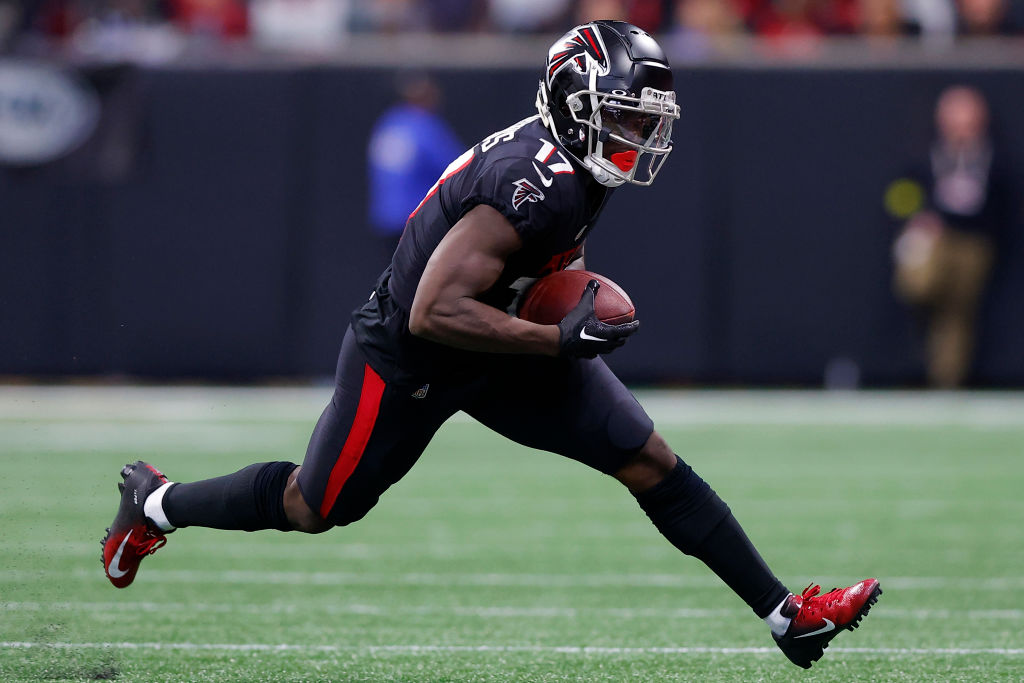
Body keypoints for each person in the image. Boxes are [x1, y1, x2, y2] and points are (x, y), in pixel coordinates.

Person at [101, 20, 880, 670]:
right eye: (628, 115)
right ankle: (158, 504)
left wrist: (560, 307)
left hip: (504, 344)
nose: (640, 134)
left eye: (646, 119)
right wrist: (553, 335)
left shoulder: (582, 169)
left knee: (650, 459)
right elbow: (432, 312)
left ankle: (787, 615)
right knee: (316, 504)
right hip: (410, 357)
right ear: (578, 104)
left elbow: (540, 262)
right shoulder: (529, 182)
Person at [890, 85, 1006, 388]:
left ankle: (946, 381)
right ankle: (914, 366)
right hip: (935, 240)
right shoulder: (923, 154)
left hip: (972, 243)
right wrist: (916, 216)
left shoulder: (995, 158)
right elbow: (899, 194)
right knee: (918, 285)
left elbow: (1004, 204)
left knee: (957, 312)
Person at [367, 73, 463, 258]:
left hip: (386, 216)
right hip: (416, 219)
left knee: (392, 279)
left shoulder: (389, 122)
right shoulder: (425, 125)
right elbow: (456, 168)